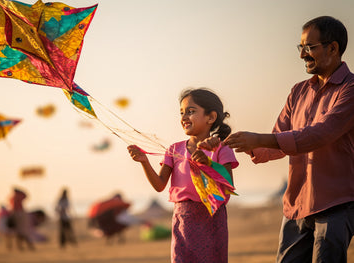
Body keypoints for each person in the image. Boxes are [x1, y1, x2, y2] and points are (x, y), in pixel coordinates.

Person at [222, 16, 354, 262]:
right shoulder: (298, 91)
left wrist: (259, 139)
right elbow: (276, 141)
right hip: (295, 207)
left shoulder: (350, 88)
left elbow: (321, 134)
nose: (303, 54)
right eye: (301, 47)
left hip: (336, 205)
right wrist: (234, 144)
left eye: (310, 47)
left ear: (333, 48)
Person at [128, 88, 238, 263]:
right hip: (183, 219)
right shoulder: (174, 149)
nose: (184, 117)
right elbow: (159, 185)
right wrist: (144, 161)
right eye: (181, 113)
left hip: (212, 218)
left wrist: (207, 163)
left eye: (191, 112)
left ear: (211, 117)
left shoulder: (222, 148)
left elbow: (227, 188)